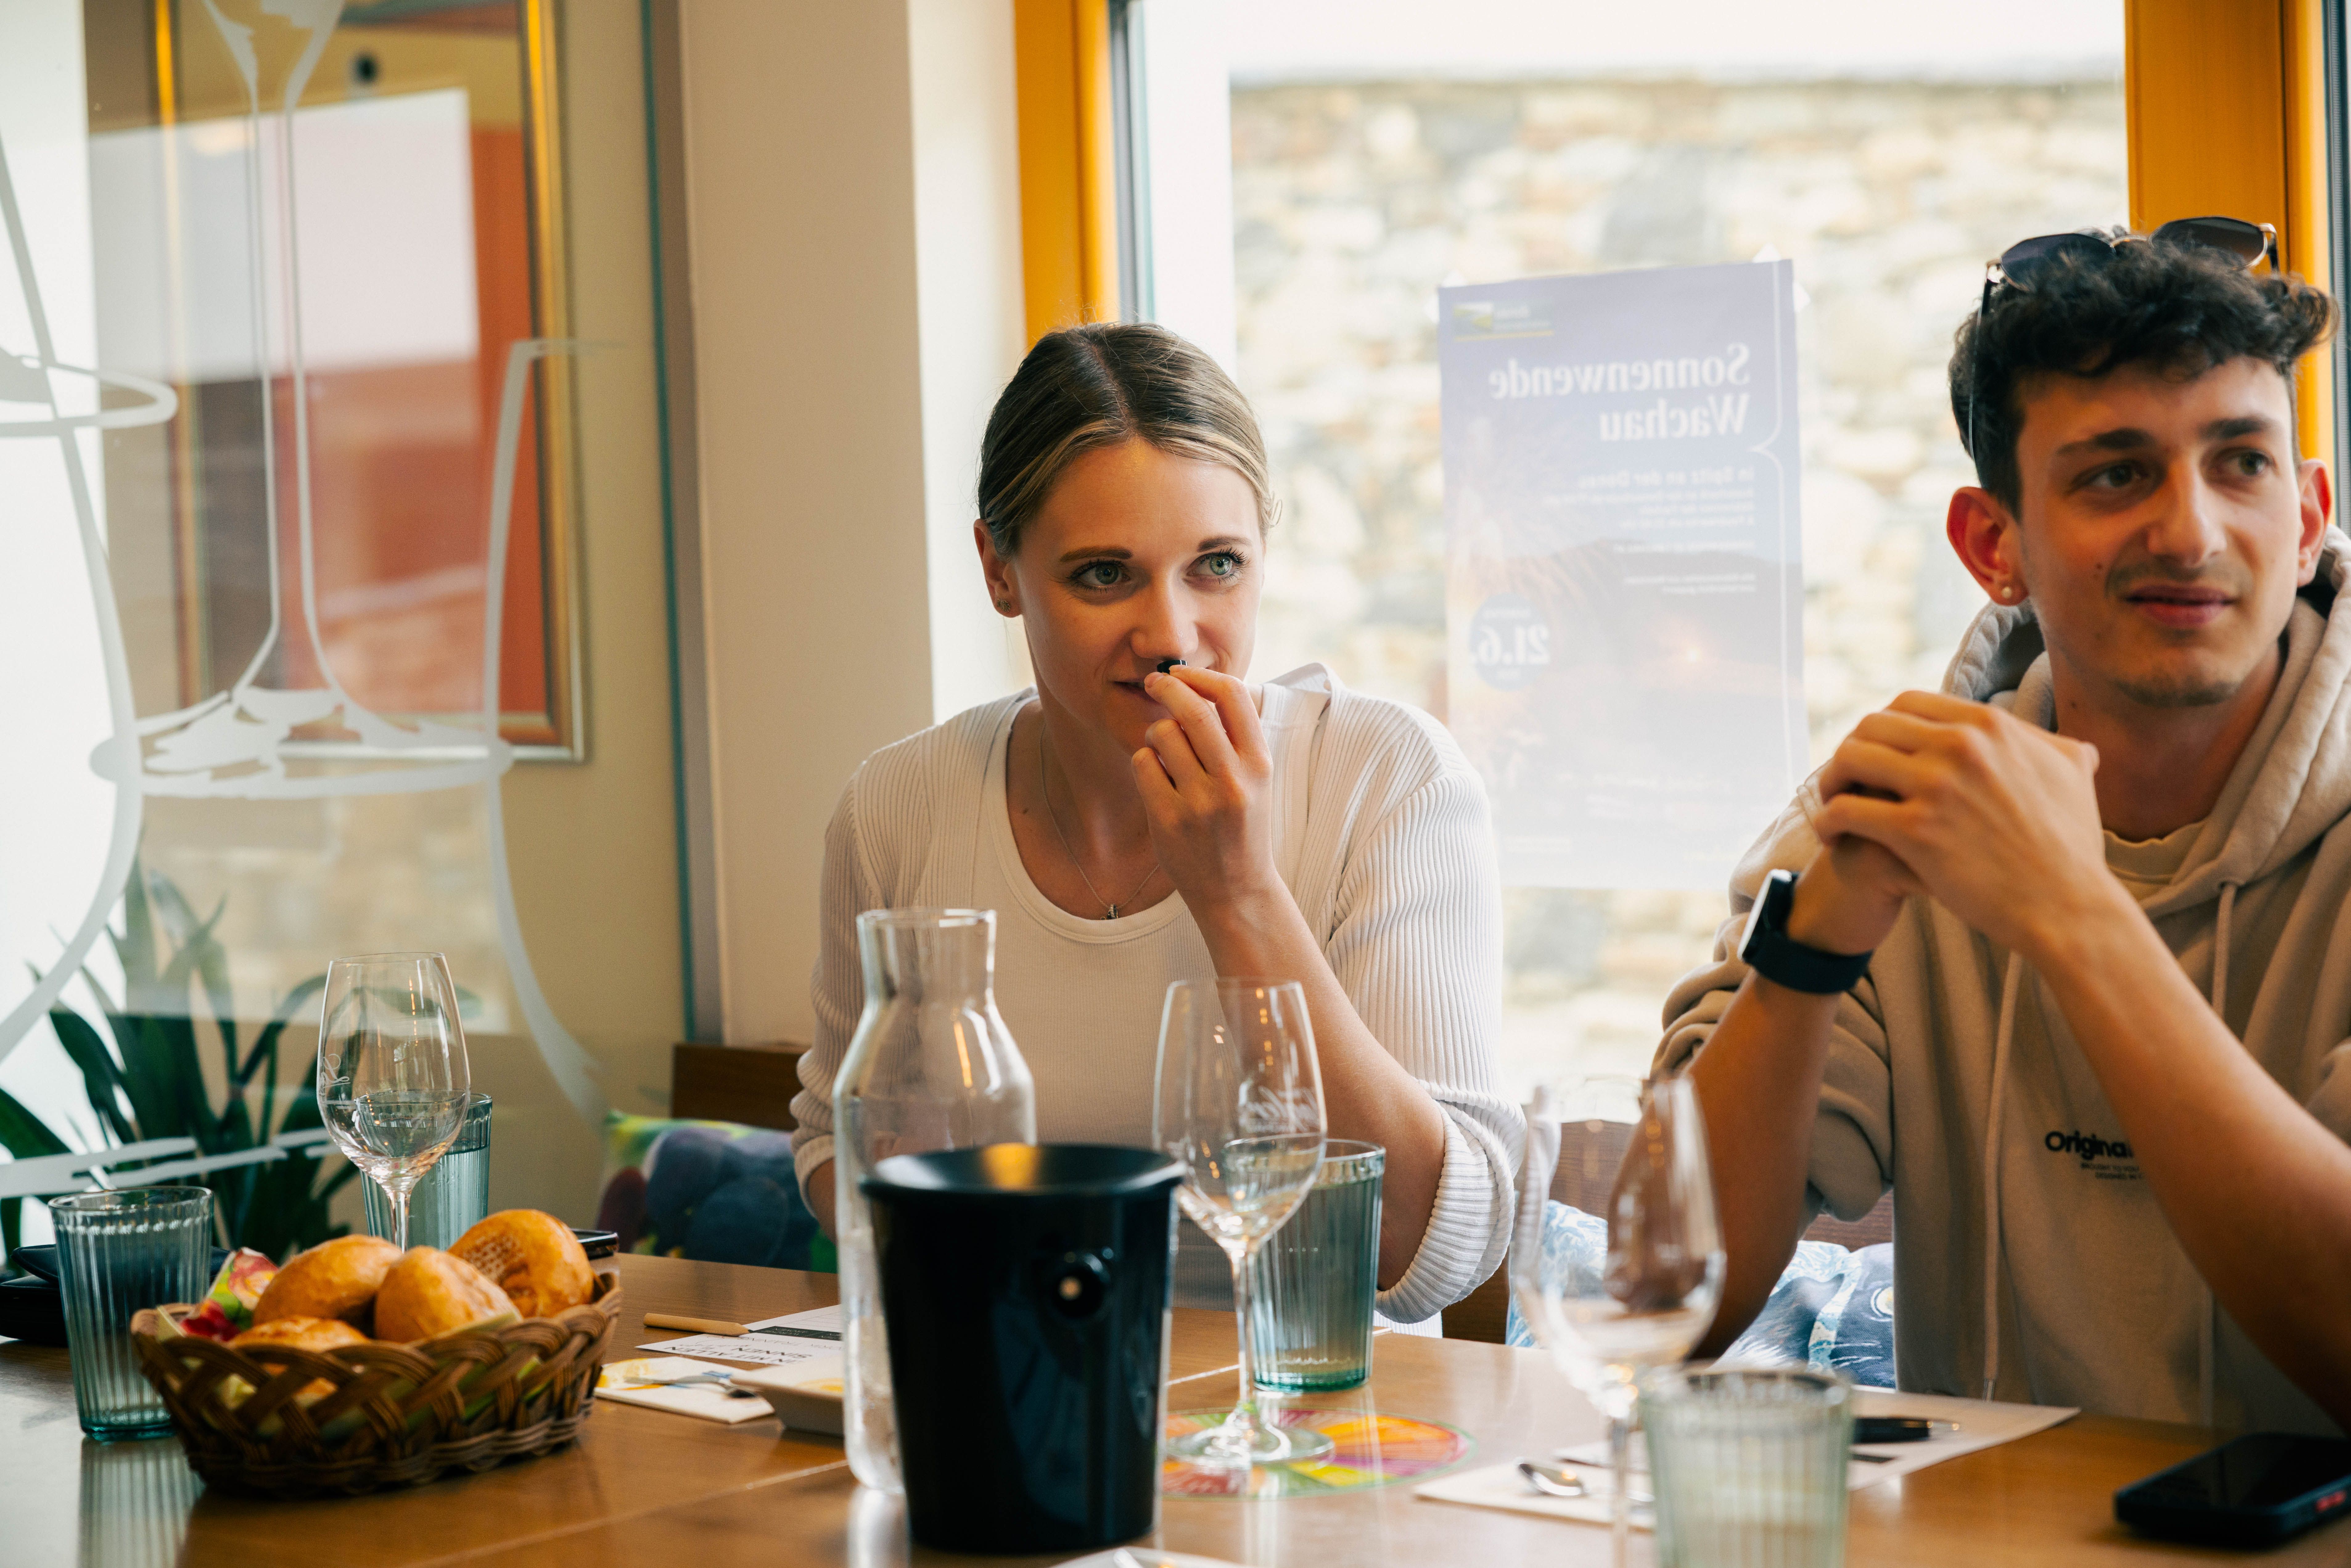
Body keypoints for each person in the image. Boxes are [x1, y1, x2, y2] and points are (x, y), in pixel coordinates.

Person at [1659, 225, 2351, 1434]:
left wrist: (2071, 917)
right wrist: (1810, 951)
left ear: (2304, 519)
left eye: (2237, 464)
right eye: (2112, 475)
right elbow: (1668, 1295)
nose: (2189, 531)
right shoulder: (1893, 804)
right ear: (1993, 546)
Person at [791, 322, 1520, 1323]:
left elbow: (1435, 1249)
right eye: (1103, 574)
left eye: (1215, 565)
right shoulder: (896, 809)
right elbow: (835, 1141)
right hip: (1007, 1393)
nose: (1171, 637)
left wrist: (1238, 893)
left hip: (1310, 1431)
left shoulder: (1385, 780)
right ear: (999, 572)